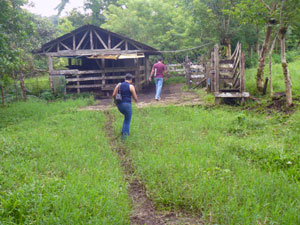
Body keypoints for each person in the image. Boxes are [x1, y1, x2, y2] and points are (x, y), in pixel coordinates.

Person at [112, 73, 138, 140]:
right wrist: (136, 101)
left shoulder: (119, 85)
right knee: (127, 120)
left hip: (120, 105)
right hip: (127, 105)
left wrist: (115, 102)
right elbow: (135, 97)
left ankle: (123, 131)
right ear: (131, 79)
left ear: (125, 79)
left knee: (126, 118)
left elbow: (113, 94)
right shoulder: (131, 86)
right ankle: (124, 138)